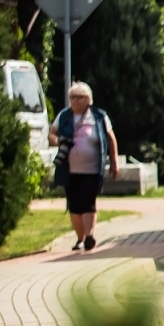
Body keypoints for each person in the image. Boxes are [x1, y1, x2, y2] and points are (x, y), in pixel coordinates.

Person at [51, 82, 118, 252]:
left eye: (79, 97)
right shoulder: (64, 116)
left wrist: (114, 163)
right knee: (74, 205)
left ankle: (89, 235)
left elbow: (111, 139)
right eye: (72, 97)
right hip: (69, 169)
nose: (75, 101)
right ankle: (80, 238)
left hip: (92, 169)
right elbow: (52, 133)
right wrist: (57, 141)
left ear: (88, 100)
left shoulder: (99, 116)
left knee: (88, 202)